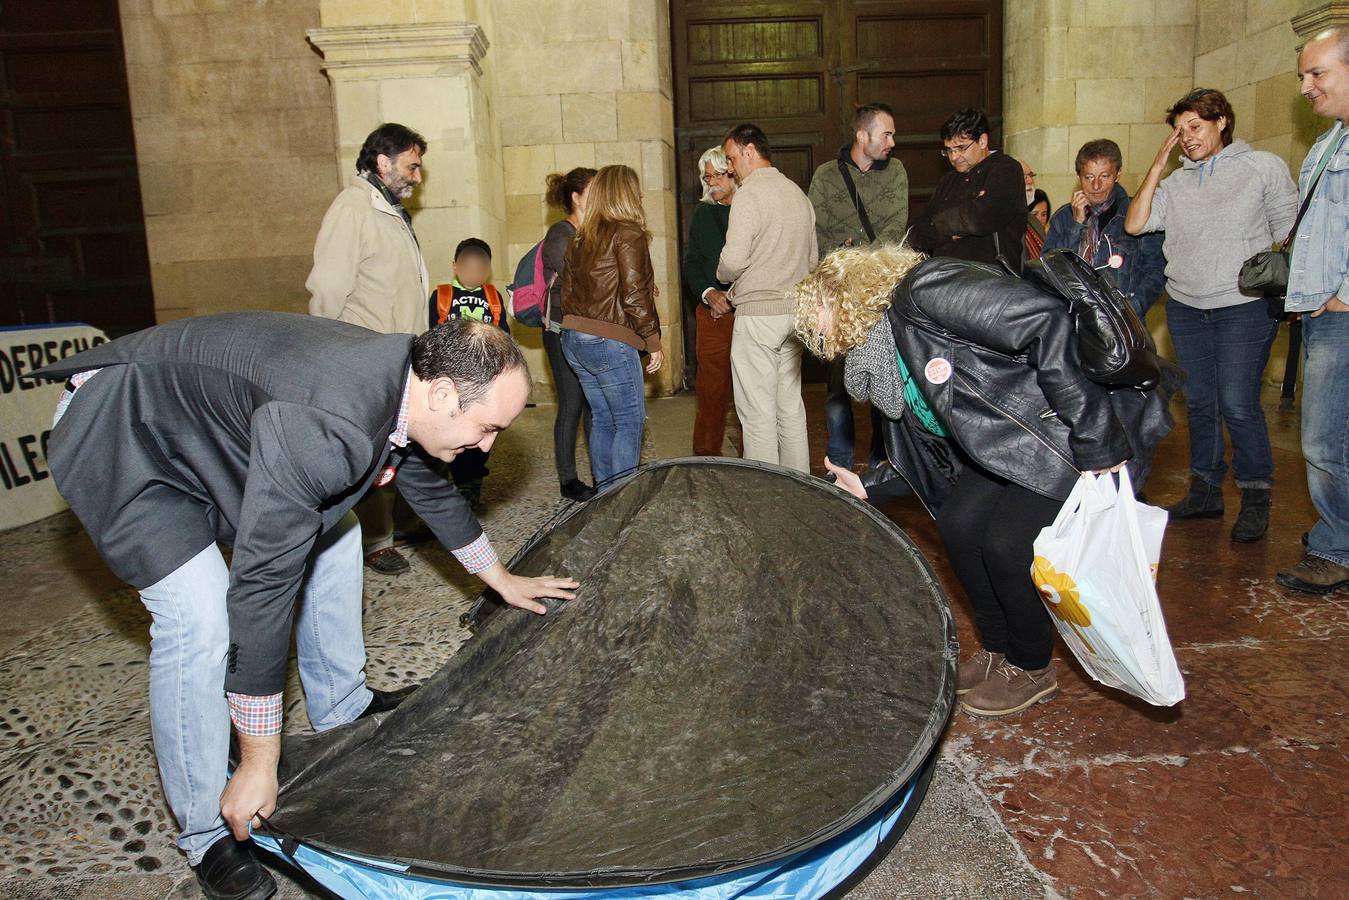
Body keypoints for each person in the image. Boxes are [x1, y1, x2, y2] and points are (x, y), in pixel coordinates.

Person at [37, 314, 578, 900]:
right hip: (123, 435)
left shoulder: (410, 381)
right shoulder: (329, 422)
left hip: (193, 427)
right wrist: (259, 759)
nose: (487, 445)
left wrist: (499, 578)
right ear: (444, 392)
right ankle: (204, 832)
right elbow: (263, 586)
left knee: (337, 530)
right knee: (201, 617)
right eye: (486, 427)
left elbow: (422, 478)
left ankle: (341, 709)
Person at [793, 244, 1177, 717]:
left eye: (818, 313)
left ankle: (1033, 667)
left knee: (1006, 544)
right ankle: (998, 651)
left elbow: (1045, 321)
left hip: (1055, 426)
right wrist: (870, 486)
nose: (815, 332)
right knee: (958, 525)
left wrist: (1095, 436)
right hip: (1006, 441)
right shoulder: (883, 355)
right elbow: (925, 445)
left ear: (847, 298)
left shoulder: (924, 291)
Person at [1125, 89, 1298, 542]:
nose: (1186, 138)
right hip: (1186, 306)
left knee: (1238, 404)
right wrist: (1159, 165)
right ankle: (1205, 491)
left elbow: (1291, 230)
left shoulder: (1261, 167)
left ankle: (1256, 494)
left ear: (1222, 121)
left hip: (1243, 307)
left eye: (1195, 127)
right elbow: (1135, 223)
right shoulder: (1175, 184)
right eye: (1178, 132)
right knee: (1199, 402)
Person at [307, 122, 431, 576]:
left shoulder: (389, 209)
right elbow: (327, 289)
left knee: (399, 449)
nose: (417, 177)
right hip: (364, 356)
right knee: (368, 455)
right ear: (383, 161)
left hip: (398, 356)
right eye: (412, 166)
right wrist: (330, 351)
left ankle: (406, 523)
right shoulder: (353, 207)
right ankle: (375, 542)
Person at [1278, 28, 1349, 593]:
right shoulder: (1327, 145)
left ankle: (1337, 547)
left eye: (1317, 73)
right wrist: (1305, 293)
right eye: (1303, 75)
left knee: (1324, 441)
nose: (1306, 86)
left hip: (1343, 311)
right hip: (1326, 311)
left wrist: (1343, 293)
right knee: (1326, 439)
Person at [808, 102, 909, 472]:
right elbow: (816, 231)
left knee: (885, 375)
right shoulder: (825, 176)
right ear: (862, 136)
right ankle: (840, 463)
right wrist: (840, 253)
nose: (892, 142)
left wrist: (861, 260)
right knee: (838, 383)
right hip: (840, 295)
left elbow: (895, 228)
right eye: (887, 134)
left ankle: (886, 462)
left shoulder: (896, 172)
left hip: (881, 293)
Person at [717, 123, 818, 473]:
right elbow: (812, 261)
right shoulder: (797, 194)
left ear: (749, 151)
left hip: (758, 313)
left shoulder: (749, 194)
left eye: (731, 158)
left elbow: (733, 260)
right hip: (795, 314)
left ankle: (765, 496)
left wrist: (722, 275)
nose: (731, 168)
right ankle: (800, 486)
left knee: (757, 412)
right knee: (790, 407)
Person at [560, 164, 663, 485]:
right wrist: (653, 340)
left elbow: (566, 290)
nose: (642, 195)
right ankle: (621, 500)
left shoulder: (581, 236)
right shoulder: (628, 233)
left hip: (574, 339)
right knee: (629, 422)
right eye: (637, 189)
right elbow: (634, 295)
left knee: (604, 419)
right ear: (625, 194)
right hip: (609, 340)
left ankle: (605, 499)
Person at [1045, 139, 1166, 320]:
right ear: (1078, 177)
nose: (1096, 186)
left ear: (1117, 175)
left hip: (1122, 320)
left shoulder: (1138, 214)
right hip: (1071, 320)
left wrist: (1131, 309)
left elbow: (1157, 271)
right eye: (1089, 177)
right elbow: (1049, 269)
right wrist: (1076, 225)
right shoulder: (1063, 218)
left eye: (1104, 176)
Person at [429, 237, 508, 510]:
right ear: (455, 267)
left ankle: (474, 476)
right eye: (468, 267)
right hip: (453, 379)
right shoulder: (441, 296)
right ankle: (462, 479)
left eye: (480, 267)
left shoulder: (494, 298)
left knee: (483, 429)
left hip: (485, 378)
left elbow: (504, 335)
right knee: (457, 428)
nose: (474, 273)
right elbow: (432, 334)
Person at [909, 108, 1027, 273]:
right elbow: (916, 235)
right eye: (949, 150)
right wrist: (953, 230)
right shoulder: (948, 181)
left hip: (992, 281)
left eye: (961, 148)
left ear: (983, 141)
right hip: (944, 279)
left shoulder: (1006, 169)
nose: (954, 157)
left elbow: (980, 219)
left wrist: (939, 224)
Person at [542, 168, 599, 502]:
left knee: (593, 402)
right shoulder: (559, 233)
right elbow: (580, 279)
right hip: (560, 329)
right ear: (576, 197)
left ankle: (601, 473)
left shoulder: (593, 232)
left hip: (589, 330)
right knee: (572, 402)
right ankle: (568, 480)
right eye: (594, 191)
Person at [682, 146, 739, 456]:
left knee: (751, 391)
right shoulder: (703, 213)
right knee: (711, 391)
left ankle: (756, 458)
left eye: (716, 175)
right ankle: (705, 457)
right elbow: (691, 263)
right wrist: (708, 292)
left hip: (748, 312)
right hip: (713, 315)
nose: (711, 182)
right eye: (706, 177)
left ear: (731, 171)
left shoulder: (750, 207)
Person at [1027, 189, 1050, 259]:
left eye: (1043, 214)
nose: (1039, 219)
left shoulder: (1051, 235)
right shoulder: (1024, 238)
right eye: (1034, 214)